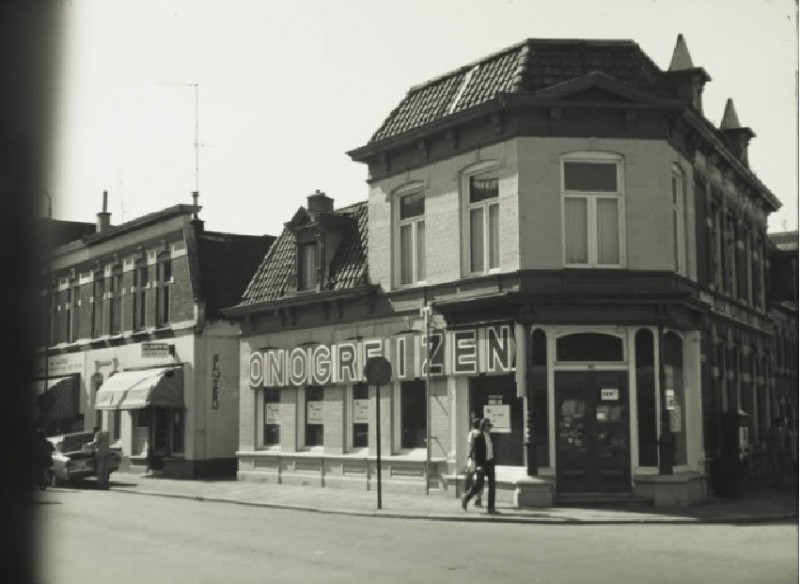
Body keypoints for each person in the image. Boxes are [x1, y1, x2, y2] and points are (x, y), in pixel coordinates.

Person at [461, 418, 497, 514]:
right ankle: (466, 498)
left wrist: (493, 461)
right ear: (483, 426)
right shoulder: (478, 437)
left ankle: (491, 508)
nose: (489, 428)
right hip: (482, 464)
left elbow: (492, 450)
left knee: (492, 485)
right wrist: (478, 465)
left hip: (490, 463)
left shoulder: (491, 437)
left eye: (490, 426)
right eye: (487, 426)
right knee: (479, 485)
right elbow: (476, 453)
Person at [465, 417, 483, 507]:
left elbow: (470, 446)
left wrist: (468, 456)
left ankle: (468, 495)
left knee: (471, 478)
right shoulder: (481, 433)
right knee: (479, 479)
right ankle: (478, 498)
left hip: (473, 459)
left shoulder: (471, 433)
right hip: (480, 460)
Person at [766, 417, 787, 487]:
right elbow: (768, 441)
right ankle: (776, 481)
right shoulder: (771, 430)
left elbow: (787, 439)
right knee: (775, 466)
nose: (781, 424)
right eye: (780, 423)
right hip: (774, 450)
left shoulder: (784, 430)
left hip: (782, 450)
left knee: (782, 466)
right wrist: (768, 450)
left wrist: (787, 449)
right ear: (776, 423)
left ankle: (780, 481)